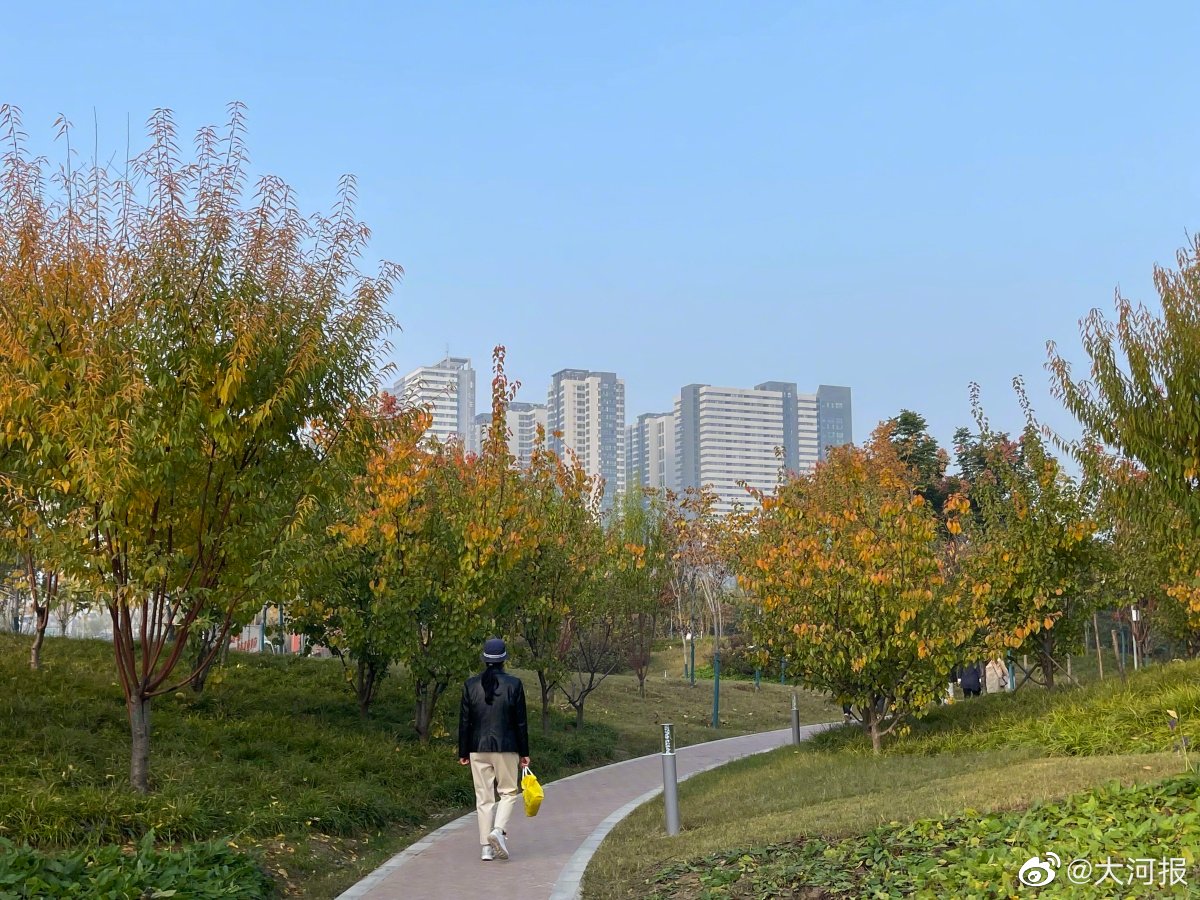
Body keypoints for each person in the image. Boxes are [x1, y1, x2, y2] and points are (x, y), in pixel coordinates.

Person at [459, 637, 530, 862]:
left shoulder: (470, 685)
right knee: (508, 792)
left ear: (485, 659)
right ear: (504, 659)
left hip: (477, 748)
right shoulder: (514, 684)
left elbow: (465, 721)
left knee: (483, 797)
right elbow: (520, 722)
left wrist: (463, 752)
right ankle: (498, 831)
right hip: (506, 747)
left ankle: (485, 849)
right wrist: (524, 751)